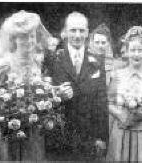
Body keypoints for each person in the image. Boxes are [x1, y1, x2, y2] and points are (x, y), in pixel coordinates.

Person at [0, 10, 57, 161]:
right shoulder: (5, 63)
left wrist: (53, 92)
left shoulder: (36, 62)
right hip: (11, 128)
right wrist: (10, 109)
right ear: (14, 39)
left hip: (33, 130)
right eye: (23, 37)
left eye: (32, 36)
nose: (29, 41)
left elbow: (39, 89)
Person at [50, 11, 108, 160]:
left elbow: (101, 102)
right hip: (60, 133)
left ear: (87, 32)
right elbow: (43, 92)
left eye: (81, 30)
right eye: (73, 30)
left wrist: (101, 136)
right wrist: (56, 94)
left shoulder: (97, 61)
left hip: (88, 134)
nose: (77, 35)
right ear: (65, 32)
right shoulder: (53, 58)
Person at [106, 26, 142, 161]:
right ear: (126, 52)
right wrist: (119, 114)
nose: (136, 54)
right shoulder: (117, 76)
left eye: (140, 50)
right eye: (132, 50)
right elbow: (108, 103)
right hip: (121, 133)